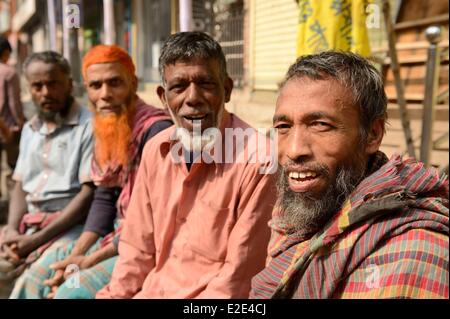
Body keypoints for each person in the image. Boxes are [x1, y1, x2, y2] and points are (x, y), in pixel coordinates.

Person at [250, 51, 449, 299]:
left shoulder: (414, 258)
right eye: (283, 127)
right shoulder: (293, 213)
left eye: (320, 125)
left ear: (372, 135)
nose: (293, 150)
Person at [97, 31, 277, 299]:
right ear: (163, 96)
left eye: (205, 83)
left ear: (226, 90)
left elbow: (237, 279)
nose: (193, 98)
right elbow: (137, 250)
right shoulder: (155, 150)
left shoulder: (259, 161)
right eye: (179, 87)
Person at [9, 45, 172, 299]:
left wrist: (89, 259)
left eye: (115, 83)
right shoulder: (109, 126)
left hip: (146, 245)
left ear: (133, 83)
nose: (105, 94)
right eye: (96, 86)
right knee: (36, 281)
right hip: (114, 236)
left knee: (66, 294)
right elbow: (104, 198)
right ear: (87, 90)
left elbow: (151, 224)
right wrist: (78, 253)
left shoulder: (156, 131)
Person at [0, 51, 94, 297]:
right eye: (37, 86)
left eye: (53, 84)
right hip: (28, 226)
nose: (45, 93)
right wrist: (11, 230)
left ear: (69, 84)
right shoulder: (31, 128)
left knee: (33, 281)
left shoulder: (88, 126)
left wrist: (36, 240)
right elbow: (20, 184)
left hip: (70, 225)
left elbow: (87, 196)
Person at [0, 36, 24, 174]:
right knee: (13, 167)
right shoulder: (9, 72)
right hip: (8, 128)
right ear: (5, 52)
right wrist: (20, 123)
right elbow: (14, 103)